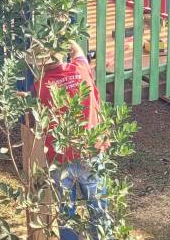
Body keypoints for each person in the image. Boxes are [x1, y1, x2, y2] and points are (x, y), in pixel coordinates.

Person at [32, 42, 108, 239]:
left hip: (60, 158)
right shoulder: (81, 69)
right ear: (60, 54)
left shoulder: (40, 88)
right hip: (90, 151)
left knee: (66, 212)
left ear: (39, 64)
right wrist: (66, 38)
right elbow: (78, 50)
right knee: (99, 208)